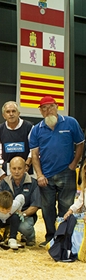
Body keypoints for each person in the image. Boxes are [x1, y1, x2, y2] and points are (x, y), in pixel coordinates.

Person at [29, 95, 84, 247]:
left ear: (57, 107)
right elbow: (34, 155)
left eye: (50, 107)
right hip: (45, 176)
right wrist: (39, 174)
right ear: (40, 111)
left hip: (67, 173)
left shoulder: (71, 123)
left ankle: (64, 237)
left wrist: (74, 164)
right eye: (44, 108)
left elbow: (80, 144)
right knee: (47, 208)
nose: (48, 111)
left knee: (66, 207)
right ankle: (50, 237)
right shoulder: (36, 129)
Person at [0, 156, 41, 246]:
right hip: (6, 214)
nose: (16, 171)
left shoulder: (33, 183)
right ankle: (5, 233)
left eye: (19, 168)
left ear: (25, 168)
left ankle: (30, 237)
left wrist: (22, 214)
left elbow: (35, 205)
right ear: (9, 169)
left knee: (25, 227)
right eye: (14, 168)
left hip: (25, 215)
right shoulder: (4, 182)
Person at [0, 101, 33, 178]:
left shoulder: (29, 127)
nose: (11, 114)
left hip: (27, 168)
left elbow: (34, 148)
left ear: (18, 113)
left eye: (13, 111)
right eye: (8, 112)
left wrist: (27, 164)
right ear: (4, 115)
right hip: (8, 169)